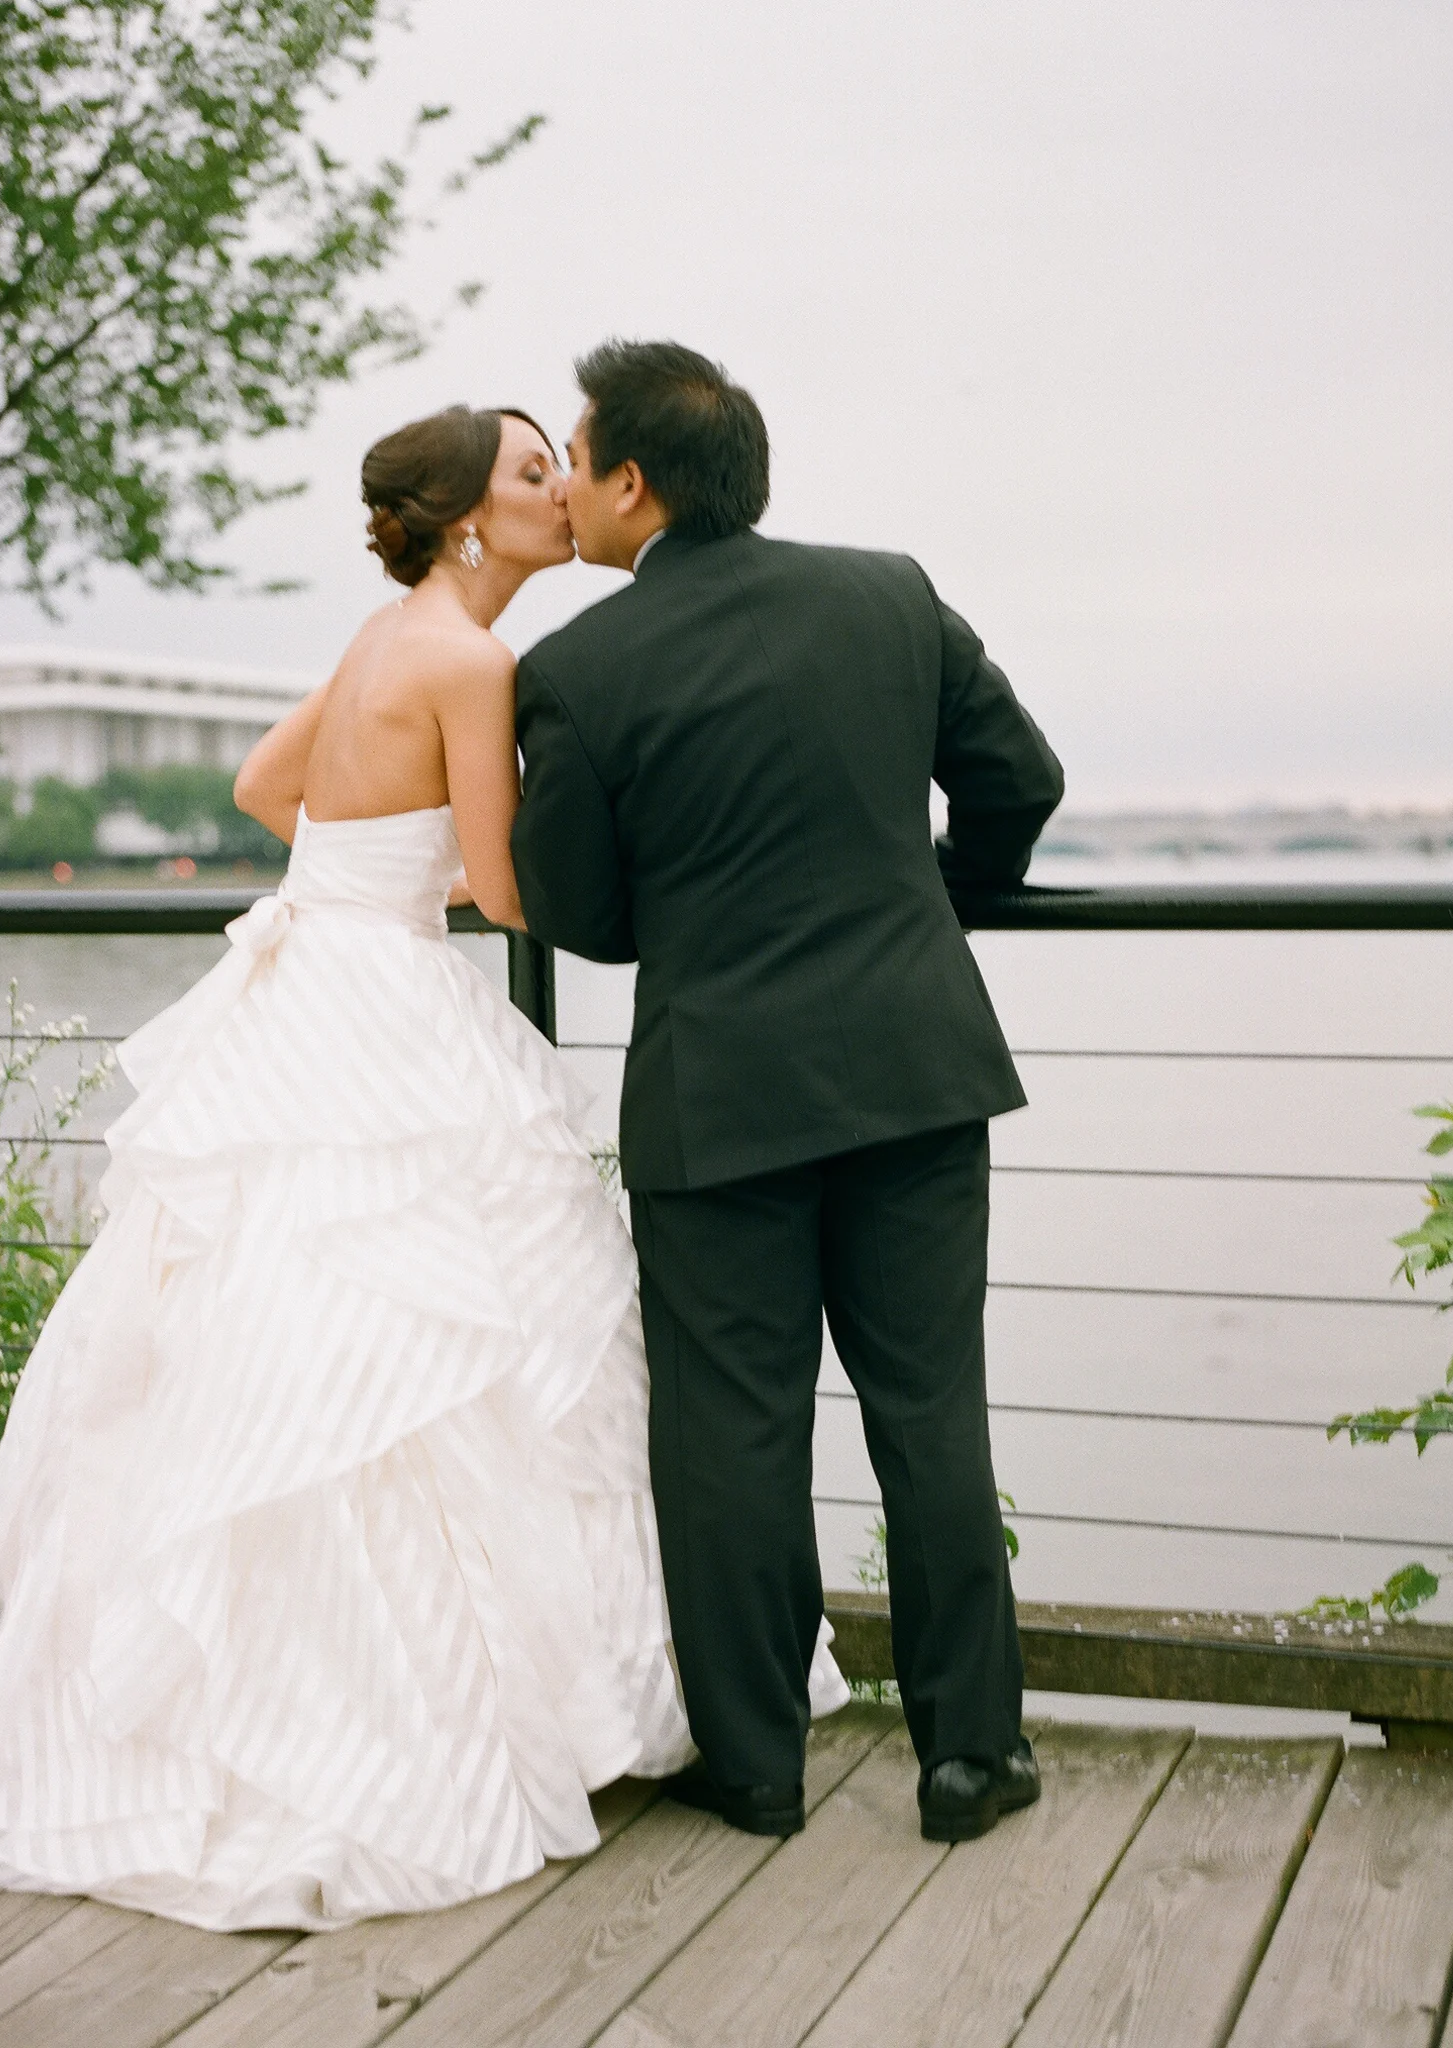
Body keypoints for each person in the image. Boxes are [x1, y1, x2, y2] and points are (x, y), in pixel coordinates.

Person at [0, 402, 845, 1932]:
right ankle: (422, 1728)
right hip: (391, 1006)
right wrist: (559, 868)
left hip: (304, 986)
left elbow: (269, 794)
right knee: (439, 1340)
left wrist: (365, 869)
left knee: (293, 1343)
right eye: (534, 475)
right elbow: (511, 886)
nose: (560, 494)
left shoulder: (379, 633)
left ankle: (256, 1697)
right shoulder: (472, 662)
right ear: (473, 518)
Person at [512, 340, 1065, 1843]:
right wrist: (947, 893)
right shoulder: (888, 593)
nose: (563, 483)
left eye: (574, 458)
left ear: (632, 483)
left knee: (730, 1434)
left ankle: (753, 1763)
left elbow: (580, 912)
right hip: (912, 1064)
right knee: (931, 1410)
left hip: (719, 1101)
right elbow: (1019, 777)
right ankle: (970, 1758)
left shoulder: (573, 672)